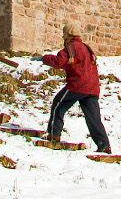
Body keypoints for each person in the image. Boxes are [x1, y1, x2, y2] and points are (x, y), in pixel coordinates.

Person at [41, 23, 112, 153]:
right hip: (92, 88)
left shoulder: (71, 48)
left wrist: (43, 58)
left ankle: (53, 134)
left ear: (68, 35)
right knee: (94, 118)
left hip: (77, 85)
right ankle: (104, 144)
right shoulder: (87, 48)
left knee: (58, 105)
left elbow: (58, 62)